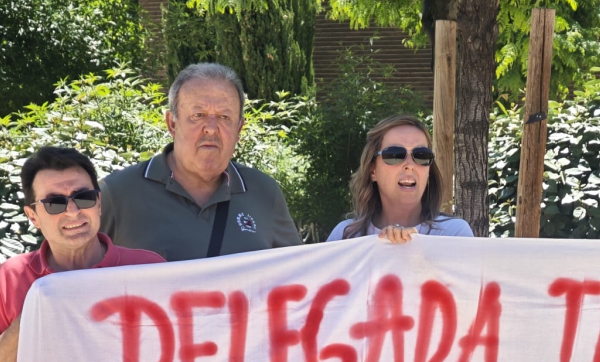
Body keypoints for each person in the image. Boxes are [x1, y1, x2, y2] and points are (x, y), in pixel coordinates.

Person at [0, 147, 164, 362]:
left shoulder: (148, 270)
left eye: (83, 197)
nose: (72, 211)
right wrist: (28, 320)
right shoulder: (12, 277)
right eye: (54, 203)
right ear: (33, 216)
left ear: (99, 203)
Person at [101, 63, 300, 261]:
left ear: (239, 128)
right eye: (198, 115)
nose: (211, 128)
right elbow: (77, 274)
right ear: (172, 123)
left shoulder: (264, 193)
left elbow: (298, 274)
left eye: (224, 117)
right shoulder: (117, 193)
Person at [328, 115, 473, 243]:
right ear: (372, 170)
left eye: (421, 155)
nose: (410, 165)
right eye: (394, 154)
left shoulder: (454, 234)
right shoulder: (345, 236)